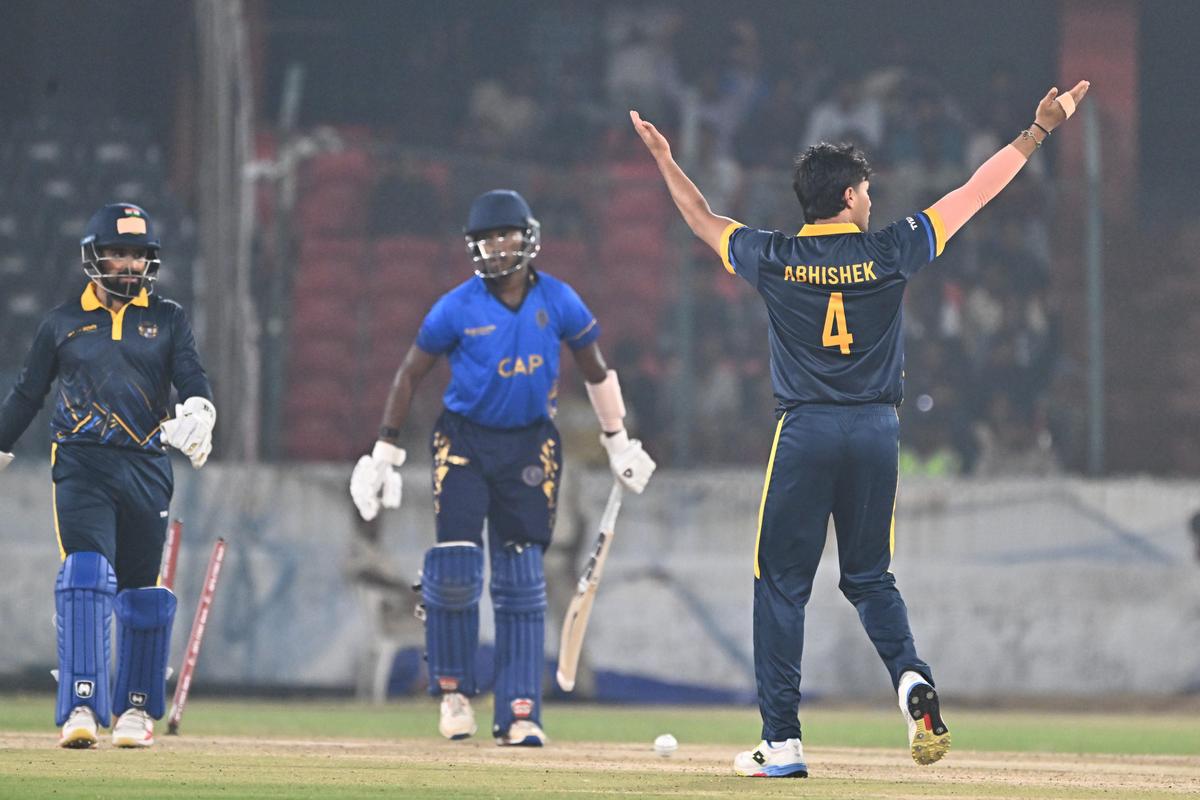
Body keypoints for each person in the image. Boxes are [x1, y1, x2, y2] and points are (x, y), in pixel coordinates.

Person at [632, 79, 1089, 777]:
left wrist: (666, 159)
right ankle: (911, 679)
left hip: (806, 430)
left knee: (781, 582)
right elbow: (974, 193)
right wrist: (1038, 133)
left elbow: (700, 217)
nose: (872, 199)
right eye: (866, 190)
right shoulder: (889, 252)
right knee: (871, 576)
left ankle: (781, 742)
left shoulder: (773, 257)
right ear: (848, 197)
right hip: (877, 430)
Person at [349, 189, 655, 746]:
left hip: (529, 446)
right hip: (463, 442)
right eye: (484, 239)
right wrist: (385, 453)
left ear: (528, 238)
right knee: (457, 569)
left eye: (504, 235)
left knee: (520, 581)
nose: (494, 248)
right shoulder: (456, 307)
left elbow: (595, 371)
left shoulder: (558, 301)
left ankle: (519, 711)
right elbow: (409, 374)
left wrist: (619, 443)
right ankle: (454, 691)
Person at [0, 203, 215, 749]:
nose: (128, 265)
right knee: (87, 576)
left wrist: (199, 410)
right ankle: (79, 705)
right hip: (81, 464)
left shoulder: (168, 319)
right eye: (118, 253)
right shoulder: (62, 323)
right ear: (95, 257)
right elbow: (29, 392)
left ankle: (135, 711)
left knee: (142, 592)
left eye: (138, 255)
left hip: (145, 466)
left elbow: (191, 375)